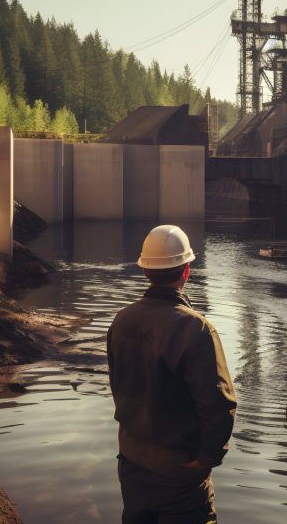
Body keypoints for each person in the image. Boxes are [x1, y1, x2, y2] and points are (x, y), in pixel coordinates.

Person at [107, 224, 237, 524]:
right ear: (186, 271)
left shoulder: (121, 320)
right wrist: (207, 458)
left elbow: (118, 386)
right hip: (180, 474)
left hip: (132, 463)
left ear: (145, 271)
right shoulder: (196, 329)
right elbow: (219, 405)